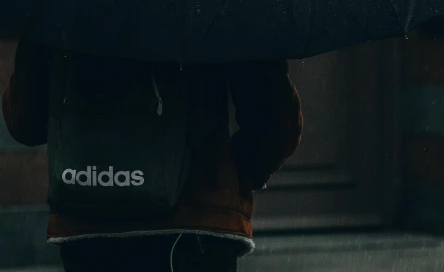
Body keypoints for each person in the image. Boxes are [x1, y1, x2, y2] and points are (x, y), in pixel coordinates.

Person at [2, 37, 303, 272]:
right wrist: (232, 174)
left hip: (90, 216)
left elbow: (25, 122)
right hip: (194, 220)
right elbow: (274, 123)